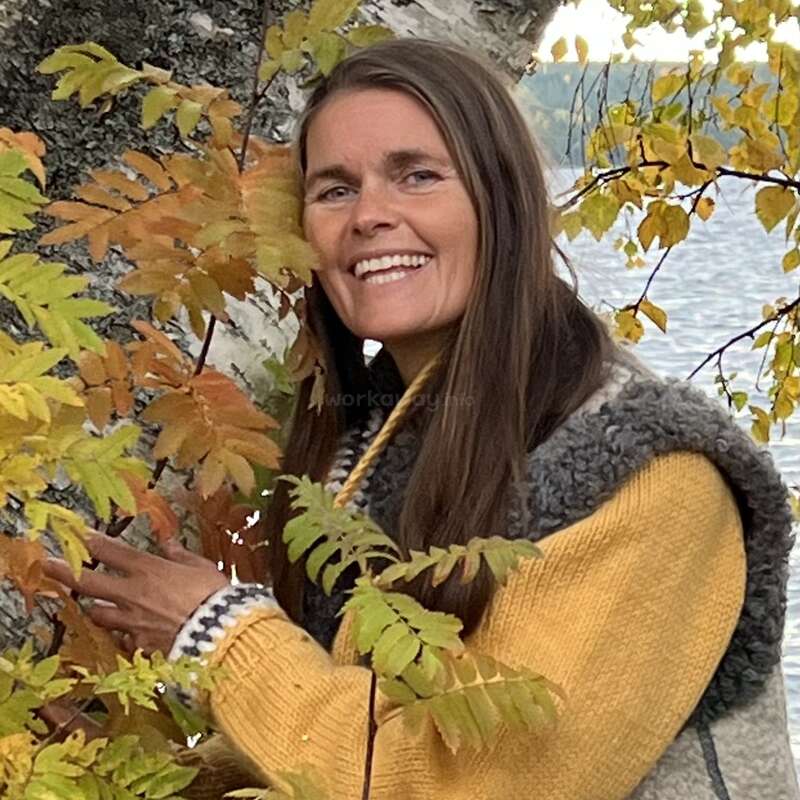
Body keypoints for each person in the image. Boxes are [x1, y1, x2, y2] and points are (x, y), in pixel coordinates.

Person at [44, 38, 798, 800]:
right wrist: (136, 780)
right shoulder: (373, 443)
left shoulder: (654, 478)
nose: (371, 215)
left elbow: (471, 780)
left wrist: (217, 633)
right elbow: (356, 731)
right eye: (334, 190)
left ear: (502, 203)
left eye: (418, 176)